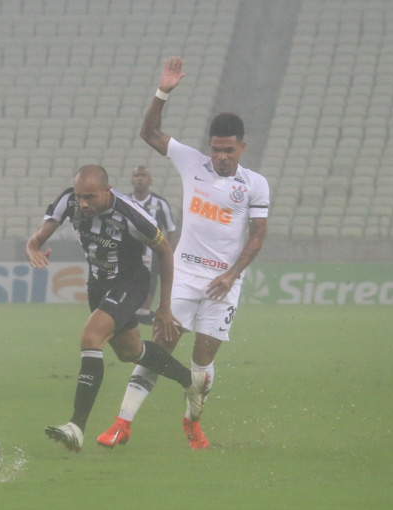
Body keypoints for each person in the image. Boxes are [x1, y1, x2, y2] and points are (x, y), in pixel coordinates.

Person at [97, 57, 270, 450]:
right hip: (184, 276)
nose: (220, 157)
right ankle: (122, 424)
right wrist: (163, 92)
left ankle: (192, 420)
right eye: (215, 150)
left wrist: (231, 274)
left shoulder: (256, 185)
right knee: (159, 350)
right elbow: (149, 132)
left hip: (223, 286)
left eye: (227, 150)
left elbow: (257, 236)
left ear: (241, 147)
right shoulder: (192, 161)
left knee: (202, 368)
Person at [26, 164, 209, 452]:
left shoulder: (131, 214)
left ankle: (76, 426)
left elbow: (165, 251)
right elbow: (37, 238)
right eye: (79, 196)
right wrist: (34, 247)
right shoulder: (69, 200)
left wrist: (163, 305)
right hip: (98, 284)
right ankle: (191, 381)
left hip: (130, 281)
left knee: (91, 337)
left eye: (90, 197)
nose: (83, 203)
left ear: (107, 191)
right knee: (130, 352)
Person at [129, 166, 179, 325]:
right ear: (132, 179)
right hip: (127, 255)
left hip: (151, 257)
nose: (140, 178)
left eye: (143, 175)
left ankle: (144, 319)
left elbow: (171, 230)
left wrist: (165, 254)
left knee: (144, 303)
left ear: (150, 180)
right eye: (137, 175)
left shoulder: (160, 204)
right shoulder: (124, 201)